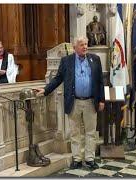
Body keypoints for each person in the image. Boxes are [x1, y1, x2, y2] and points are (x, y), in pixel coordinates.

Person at [36, 37, 105, 170]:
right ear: (74, 48)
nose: (85, 47)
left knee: (90, 132)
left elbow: (100, 81)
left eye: (86, 44)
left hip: (91, 101)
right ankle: (77, 159)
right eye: (81, 45)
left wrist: (101, 99)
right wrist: (45, 90)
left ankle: (90, 159)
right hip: (74, 102)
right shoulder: (66, 61)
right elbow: (58, 79)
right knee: (75, 133)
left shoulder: (95, 59)